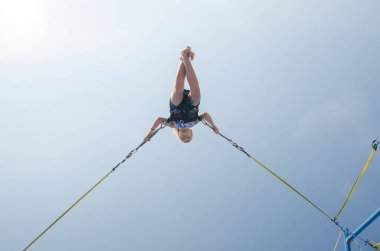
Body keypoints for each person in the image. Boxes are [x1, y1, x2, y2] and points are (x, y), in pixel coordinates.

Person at [144, 46, 219, 143]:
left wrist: (150, 134)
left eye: (183, 138)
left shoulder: (172, 125)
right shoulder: (194, 123)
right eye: (188, 137)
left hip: (176, 105)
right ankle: (185, 58)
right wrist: (214, 126)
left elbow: (159, 120)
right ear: (191, 132)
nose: (185, 137)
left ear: (178, 134)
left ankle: (184, 57)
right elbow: (205, 115)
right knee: (196, 92)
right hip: (192, 105)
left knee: (178, 89)